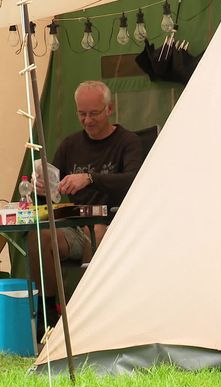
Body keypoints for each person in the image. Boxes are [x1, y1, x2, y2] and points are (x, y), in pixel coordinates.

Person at [29, 80, 144, 333]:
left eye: (94, 114)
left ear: (109, 109)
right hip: (74, 225)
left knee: (99, 231)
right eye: (82, 114)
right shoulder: (70, 145)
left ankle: (87, 313)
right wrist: (42, 189)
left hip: (115, 227)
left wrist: (90, 178)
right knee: (41, 236)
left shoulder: (128, 142)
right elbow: (54, 189)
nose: (88, 120)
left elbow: (135, 180)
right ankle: (49, 314)